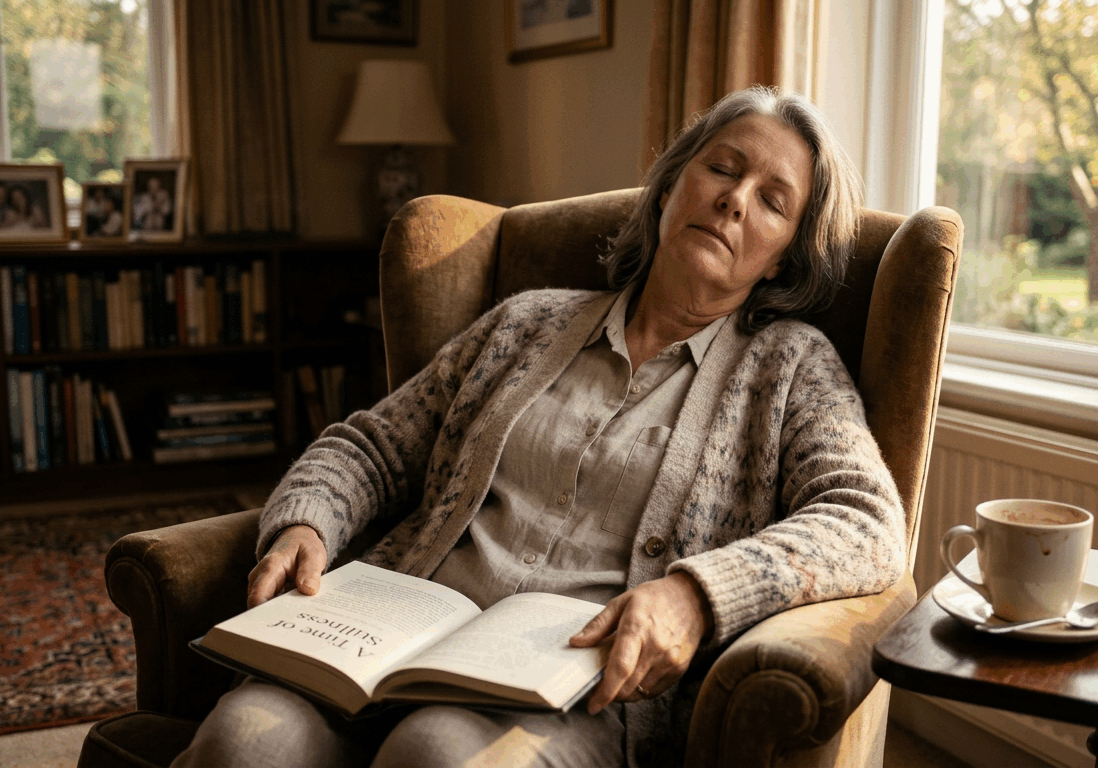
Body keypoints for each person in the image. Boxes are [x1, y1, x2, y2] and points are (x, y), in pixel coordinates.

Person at [172, 86, 906, 768]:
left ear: (783, 260)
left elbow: (867, 523)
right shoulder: (527, 322)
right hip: (386, 634)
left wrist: (695, 594)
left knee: (436, 753)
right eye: (722, 168)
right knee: (240, 742)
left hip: (570, 683)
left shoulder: (789, 368)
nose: (733, 201)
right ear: (671, 187)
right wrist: (306, 523)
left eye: (772, 201)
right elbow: (374, 444)